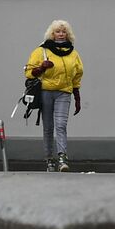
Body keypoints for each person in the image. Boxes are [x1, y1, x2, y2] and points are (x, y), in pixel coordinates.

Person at [25, 20, 84, 172]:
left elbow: (77, 73)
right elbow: (29, 72)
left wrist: (77, 95)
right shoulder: (41, 51)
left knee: (61, 125)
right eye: (58, 31)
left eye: (63, 31)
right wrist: (41, 68)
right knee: (48, 127)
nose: (61, 34)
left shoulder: (73, 53)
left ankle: (62, 158)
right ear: (52, 33)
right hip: (45, 92)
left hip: (64, 92)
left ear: (68, 34)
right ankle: (49, 159)